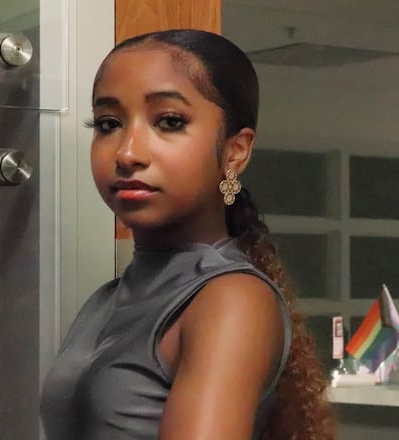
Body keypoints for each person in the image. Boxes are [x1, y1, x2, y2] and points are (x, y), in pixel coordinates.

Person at [40, 29, 335, 440]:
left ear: (236, 151)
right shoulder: (106, 299)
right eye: (108, 123)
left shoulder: (230, 298)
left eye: (169, 122)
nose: (127, 153)